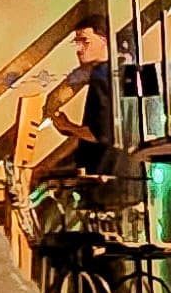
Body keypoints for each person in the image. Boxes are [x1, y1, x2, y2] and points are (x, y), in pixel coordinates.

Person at [33, 10, 116, 181]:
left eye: (85, 41)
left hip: (102, 174)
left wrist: (68, 126)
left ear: (104, 40)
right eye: (77, 43)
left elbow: (101, 134)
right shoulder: (103, 73)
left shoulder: (102, 78)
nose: (79, 49)